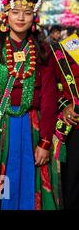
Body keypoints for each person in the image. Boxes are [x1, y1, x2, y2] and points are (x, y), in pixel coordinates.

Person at [0, 0, 60, 210]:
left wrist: (44, 141)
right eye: (15, 12)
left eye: (27, 12)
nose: (21, 17)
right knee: (0, 189)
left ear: (35, 16)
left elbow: (49, 98)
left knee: (29, 185)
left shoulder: (42, 51)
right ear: (6, 14)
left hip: (30, 126)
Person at [50, 31, 79, 209]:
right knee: (74, 180)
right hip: (76, 123)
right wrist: (64, 106)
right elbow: (50, 86)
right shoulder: (63, 49)